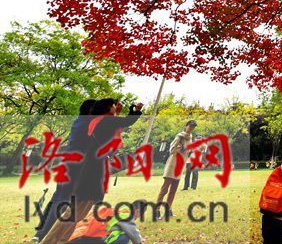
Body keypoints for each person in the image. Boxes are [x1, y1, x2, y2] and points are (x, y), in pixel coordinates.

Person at [40, 99, 143, 244]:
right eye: (113, 105)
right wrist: (136, 111)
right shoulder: (104, 121)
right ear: (107, 109)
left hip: (88, 168)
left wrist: (117, 114)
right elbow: (126, 122)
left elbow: (113, 126)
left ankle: (56, 240)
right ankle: (52, 240)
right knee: (74, 212)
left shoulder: (96, 121)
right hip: (92, 172)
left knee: (74, 212)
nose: (116, 106)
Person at [34, 99, 96, 242]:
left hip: (67, 164)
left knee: (57, 198)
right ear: (91, 110)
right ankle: (45, 235)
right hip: (74, 167)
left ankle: (40, 233)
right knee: (62, 201)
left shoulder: (79, 120)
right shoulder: (88, 123)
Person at [155, 120, 197, 219]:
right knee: (164, 190)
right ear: (186, 126)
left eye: (193, 127)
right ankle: (156, 211)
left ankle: (168, 211)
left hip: (180, 166)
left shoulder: (190, 138)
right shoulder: (179, 136)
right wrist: (181, 148)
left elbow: (188, 151)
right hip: (172, 165)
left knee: (173, 190)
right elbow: (171, 149)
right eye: (190, 126)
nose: (191, 129)